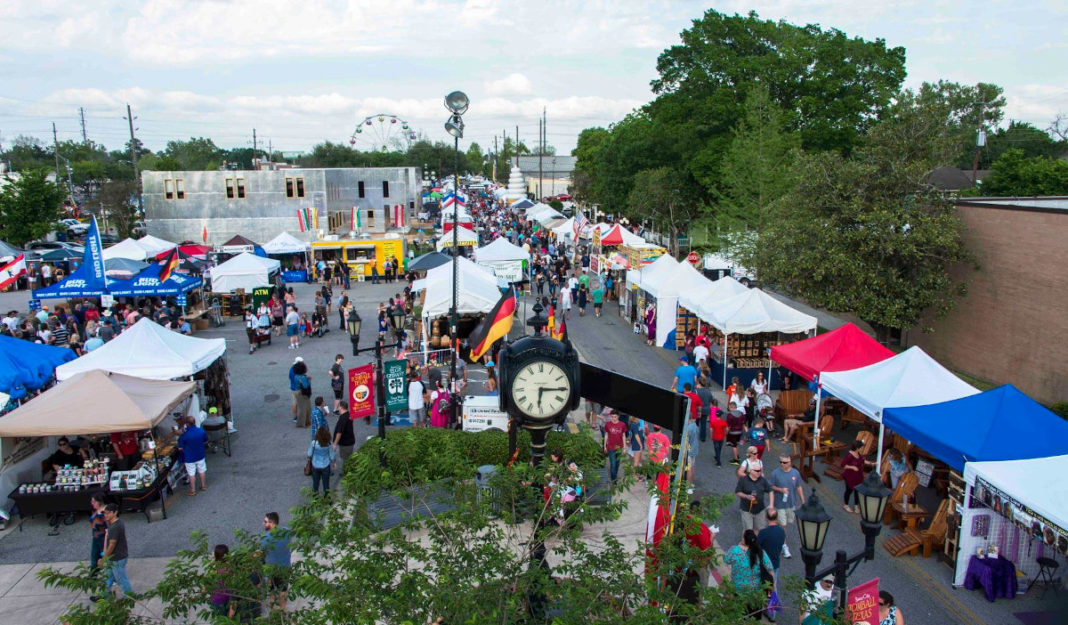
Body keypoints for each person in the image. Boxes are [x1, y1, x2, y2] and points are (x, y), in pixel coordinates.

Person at [723, 530, 774, 617]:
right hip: (755, 593)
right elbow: (770, 569)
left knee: (738, 617)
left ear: (744, 540)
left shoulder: (735, 551)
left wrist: (739, 545)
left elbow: (726, 560)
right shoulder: (760, 552)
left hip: (738, 591)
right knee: (753, 618)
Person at [92, 504, 133, 602]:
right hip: (114, 558)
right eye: (105, 513)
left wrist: (104, 558)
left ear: (115, 512)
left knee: (121, 579)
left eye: (108, 513)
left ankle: (129, 597)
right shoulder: (117, 524)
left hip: (117, 558)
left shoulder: (115, 527)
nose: (106, 515)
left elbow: (112, 544)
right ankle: (104, 594)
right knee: (108, 577)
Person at [767, 454, 804, 559]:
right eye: (781, 462)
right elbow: (771, 486)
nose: (782, 464)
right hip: (779, 505)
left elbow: (798, 486)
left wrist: (803, 500)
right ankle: (784, 547)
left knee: (787, 523)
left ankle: (775, 534)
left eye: (785, 462)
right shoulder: (775, 473)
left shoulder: (795, 473)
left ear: (790, 462)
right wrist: (780, 490)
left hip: (791, 504)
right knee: (783, 525)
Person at [261, 512, 291, 613]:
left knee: (271, 591)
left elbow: (260, 553)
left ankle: (273, 612)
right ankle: (283, 611)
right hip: (285, 567)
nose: (263, 523)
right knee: (283, 591)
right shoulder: (286, 532)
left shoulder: (266, 539)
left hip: (271, 570)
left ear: (272, 523)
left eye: (265, 522)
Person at [735, 465, 773, 532]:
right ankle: (745, 542)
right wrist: (747, 496)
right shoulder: (743, 480)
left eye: (760, 470)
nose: (759, 472)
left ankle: (757, 541)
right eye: (757, 471)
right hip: (746, 510)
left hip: (760, 510)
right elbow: (738, 492)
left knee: (761, 529)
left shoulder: (763, 480)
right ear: (751, 471)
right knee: (748, 530)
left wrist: (771, 505)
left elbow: (770, 491)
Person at [178, 416, 209, 496]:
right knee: (201, 471)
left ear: (187, 424)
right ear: (194, 422)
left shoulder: (184, 435)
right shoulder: (201, 431)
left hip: (189, 457)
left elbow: (180, 448)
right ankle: (203, 486)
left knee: (191, 474)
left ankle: (193, 490)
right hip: (200, 455)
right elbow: (206, 441)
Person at [841, 439, 872, 514]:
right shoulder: (849, 455)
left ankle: (856, 506)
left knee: (857, 491)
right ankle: (846, 505)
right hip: (850, 476)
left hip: (858, 476)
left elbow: (862, 460)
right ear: (857, 448)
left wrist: (871, 463)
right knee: (849, 491)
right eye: (861, 447)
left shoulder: (858, 454)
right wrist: (852, 467)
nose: (862, 449)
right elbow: (843, 465)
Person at [756, 509, 786, 583]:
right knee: (773, 583)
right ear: (777, 518)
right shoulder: (782, 532)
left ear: (766, 517)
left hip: (764, 563)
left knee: (761, 584)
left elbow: (757, 547)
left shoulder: (763, 533)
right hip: (775, 562)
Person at [307, 425, 336, 494]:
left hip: (315, 465)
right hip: (325, 465)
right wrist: (334, 463)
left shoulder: (314, 443)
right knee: (326, 484)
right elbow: (332, 456)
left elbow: (309, 454)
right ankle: (327, 499)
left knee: (315, 484)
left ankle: (315, 499)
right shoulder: (328, 444)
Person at [603, 410, 627, 483]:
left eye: (615, 417)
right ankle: (614, 480)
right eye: (612, 417)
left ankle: (614, 475)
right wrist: (605, 446)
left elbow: (623, 436)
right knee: (613, 463)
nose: (614, 418)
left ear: (618, 416)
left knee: (617, 463)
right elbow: (606, 435)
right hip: (611, 447)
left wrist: (625, 447)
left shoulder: (622, 424)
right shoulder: (608, 424)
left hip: (619, 447)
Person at [210, 544, 231, 617]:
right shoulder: (230, 568)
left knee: (220, 619)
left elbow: (208, 584)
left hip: (217, 599)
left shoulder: (213, 568)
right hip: (229, 598)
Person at [88, 493, 108, 576]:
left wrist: (105, 546)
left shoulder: (105, 512)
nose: (92, 503)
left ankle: (112, 577)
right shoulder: (96, 511)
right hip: (95, 538)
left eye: (94, 501)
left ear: (99, 502)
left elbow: (108, 529)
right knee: (94, 560)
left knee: (106, 559)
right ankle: (92, 577)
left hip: (103, 539)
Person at [694, 376, 714, 443]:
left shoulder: (696, 391)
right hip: (706, 409)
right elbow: (711, 400)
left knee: (696, 423)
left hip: (697, 410)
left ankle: (695, 435)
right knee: (703, 423)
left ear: (699, 383)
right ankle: (703, 437)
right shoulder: (708, 391)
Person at [292, 361, 311, 428]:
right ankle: (304, 423)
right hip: (302, 393)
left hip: (297, 392)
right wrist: (309, 380)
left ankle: (302, 422)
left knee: (301, 407)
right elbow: (306, 386)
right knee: (305, 408)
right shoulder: (302, 377)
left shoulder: (295, 376)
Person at [683, 412, 700, 483]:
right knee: (692, 467)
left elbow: (686, 443)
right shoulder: (695, 426)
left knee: (688, 468)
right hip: (695, 449)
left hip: (689, 451)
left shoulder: (688, 428)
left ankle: (688, 486)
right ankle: (691, 484)